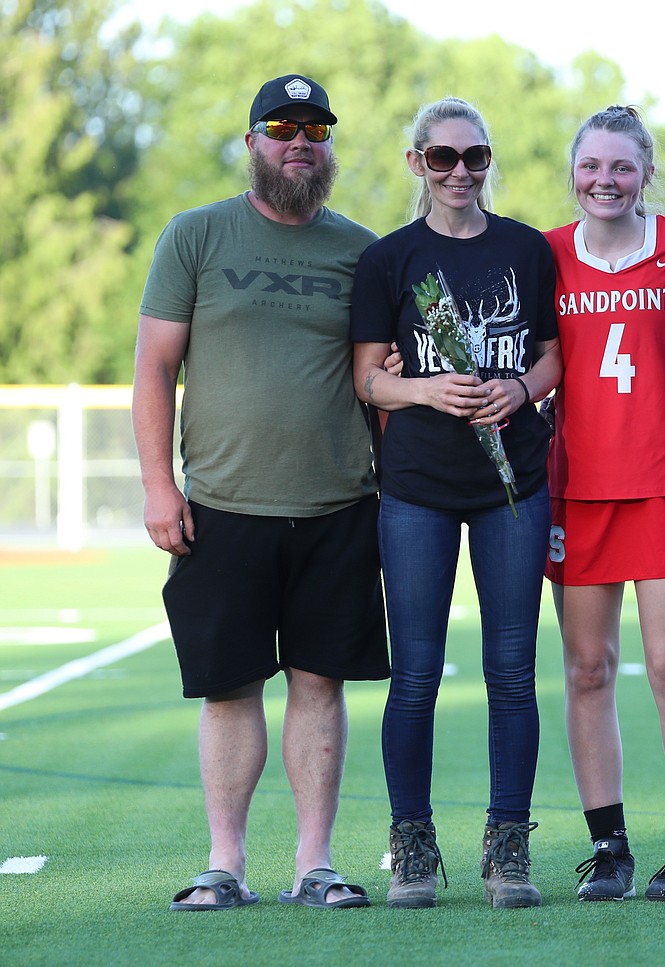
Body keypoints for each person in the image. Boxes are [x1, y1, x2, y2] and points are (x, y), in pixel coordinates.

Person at [132, 73, 388, 911]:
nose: (300, 143)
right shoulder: (196, 235)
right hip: (222, 506)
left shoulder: (362, 250)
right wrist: (158, 487)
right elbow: (154, 369)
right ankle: (226, 862)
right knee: (229, 686)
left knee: (320, 685)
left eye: (316, 130)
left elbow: (384, 378)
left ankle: (314, 863)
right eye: (282, 128)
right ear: (252, 142)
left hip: (337, 506)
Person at [350, 96, 561, 910]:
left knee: (512, 673)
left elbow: (552, 357)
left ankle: (508, 845)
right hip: (417, 491)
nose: (461, 172)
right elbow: (368, 377)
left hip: (514, 486)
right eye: (443, 158)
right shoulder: (390, 258)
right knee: (416, 677)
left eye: (475, 156)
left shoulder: (526, 249)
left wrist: (519, 387)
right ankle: (412, 844)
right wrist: (428, 390)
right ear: (417, 165)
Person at [544, 105, 665, 902]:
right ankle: (608, 846)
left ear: (646, 172)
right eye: (592, 166)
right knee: (588, 668)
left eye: (622, 167)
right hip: (577, 488)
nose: (605, 181)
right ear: (573, 171)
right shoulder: (546, 253)